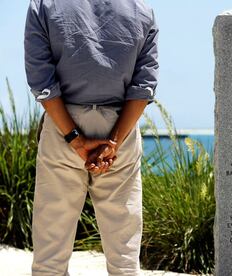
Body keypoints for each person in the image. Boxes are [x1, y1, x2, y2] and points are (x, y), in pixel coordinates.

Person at [24, 0, 159, 275]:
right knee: (124, 257)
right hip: (119, 127)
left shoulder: (43, 5)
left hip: (63, 125)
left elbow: (41, 81)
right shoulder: (142, 9)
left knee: (50, 255)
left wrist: (74, 138)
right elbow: (143, 86)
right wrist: (113, 143)